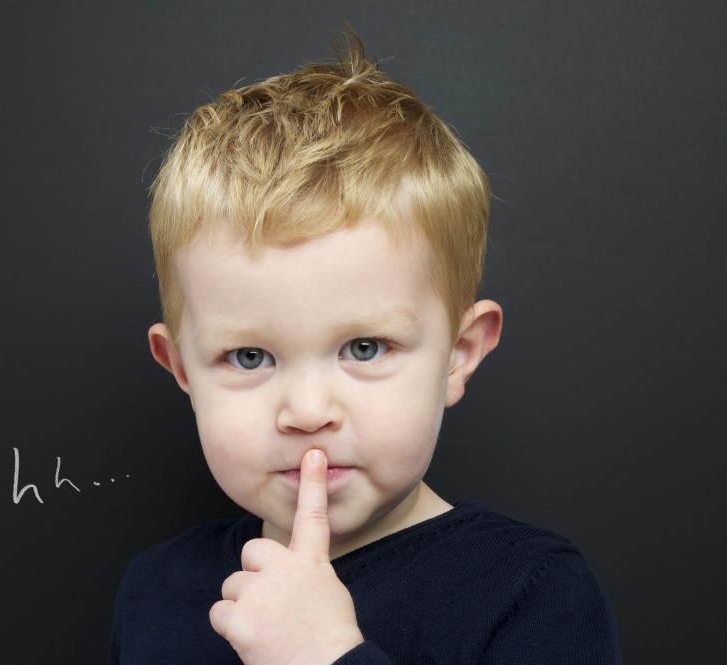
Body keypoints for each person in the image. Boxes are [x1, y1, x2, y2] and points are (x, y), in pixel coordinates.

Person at [108, 31, 620, 665]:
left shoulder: (531, 590)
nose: (307, 409)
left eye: (365, 347)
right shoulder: (156, 589)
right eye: (249, 357)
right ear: (182, 369)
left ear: (458, 354)